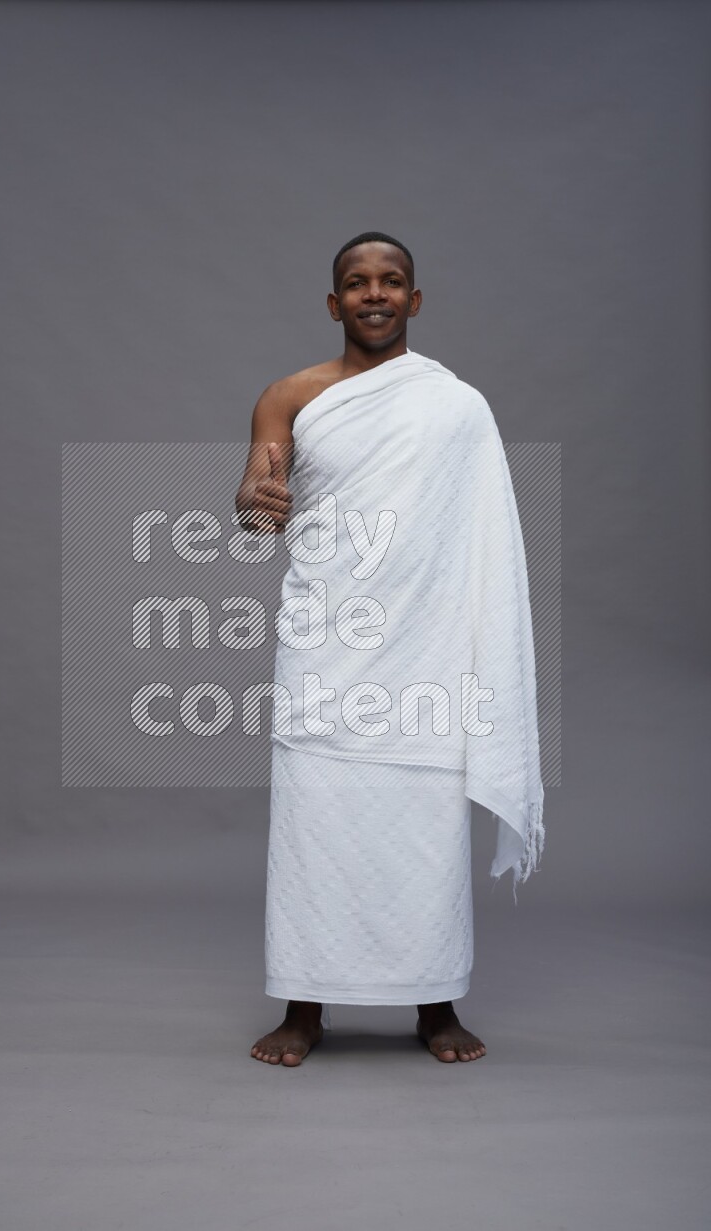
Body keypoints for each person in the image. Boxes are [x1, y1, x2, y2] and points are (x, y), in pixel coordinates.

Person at [235, 231, 542, 1066]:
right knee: (315, 819)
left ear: (415, 299)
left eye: (392, 281)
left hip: (426, 649)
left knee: (422, 823)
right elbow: (261, 517)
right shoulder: (288, 397)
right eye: (357, 283)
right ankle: (304, 1007)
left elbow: (477, 534)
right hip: (327, 642)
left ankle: (434, 1004)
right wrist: (255, 500)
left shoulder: (457, 405)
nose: (375, 293)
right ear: (335, 304)